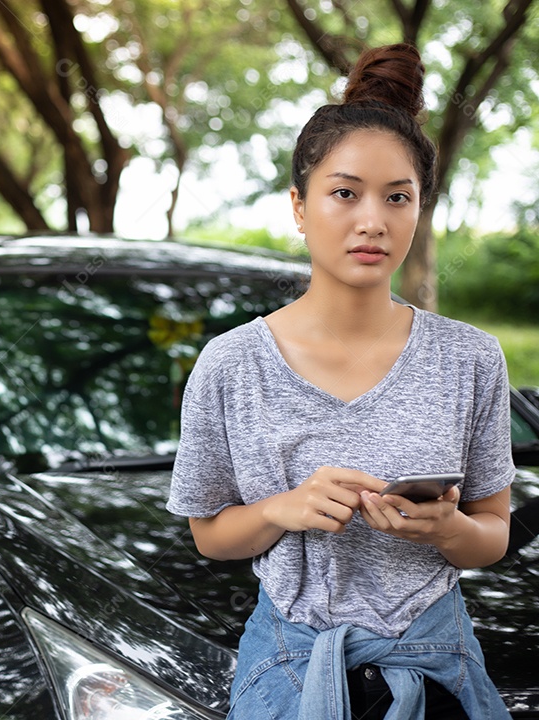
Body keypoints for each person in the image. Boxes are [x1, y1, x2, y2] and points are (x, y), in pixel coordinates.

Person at [167, 44, 513, 720]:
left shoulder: (472, 358)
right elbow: (208, 533)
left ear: (419, 211)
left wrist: (445, 530)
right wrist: (277, 510)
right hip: (289, 674)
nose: (372, 221)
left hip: (440, 668)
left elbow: (494, 531)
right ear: (299, 206)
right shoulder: (232, 365)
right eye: (345, 193)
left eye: (398, 198)